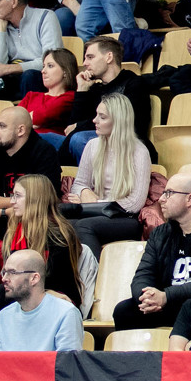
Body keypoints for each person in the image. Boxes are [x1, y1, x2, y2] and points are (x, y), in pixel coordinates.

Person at [111, 171, 191, 331]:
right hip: (168, 305)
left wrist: (167, 296)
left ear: (190, 199)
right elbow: (144, 274)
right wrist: (146, 297)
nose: (161, 199)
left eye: (169, 193)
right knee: (124, 311)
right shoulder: (160, 233)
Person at [69, 94, 152, 258]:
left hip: (125, 218)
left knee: (83, 226)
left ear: (118, 121)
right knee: (60, 224)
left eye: (102, 117)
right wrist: (85, 191)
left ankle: (97, 273)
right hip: (94, 213)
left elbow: (135, 203)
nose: (94, 120)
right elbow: (79, 183)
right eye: (96, 115)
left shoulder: (139, 152)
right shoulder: (92, 145)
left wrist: (94, 204)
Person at [0, 175, 84, 319]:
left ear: (35, 199)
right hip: (24, 293)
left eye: (18, 196)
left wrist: (45, 292)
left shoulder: (58, 235)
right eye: (12, 195)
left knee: (3, 293)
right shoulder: (15, 231)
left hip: (56, 297)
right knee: (3, 293)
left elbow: (58, 279)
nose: (12, 201)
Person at [62, 36, 152, 159]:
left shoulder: (134, 84)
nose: (84, 63)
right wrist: (82, 90)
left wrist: (79, 126)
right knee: (47, 138)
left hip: (125, 143)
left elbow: (122, 122)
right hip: (96, 138)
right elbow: (72, 127)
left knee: (79, 139)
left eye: (90, 57)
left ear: (109, 57)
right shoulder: (95, 88)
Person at [0, 108, 64, 220]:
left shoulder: (44, 152)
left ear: (20, 130)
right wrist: (22, 201)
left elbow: (46, 200)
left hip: (33, 219)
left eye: (2, 126)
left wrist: (2, 211)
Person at [0, 0, 63, 99]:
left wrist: (9, 69)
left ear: (13, 1)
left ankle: (29, 111)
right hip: (13, 79)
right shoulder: (0, 24)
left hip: (39, 77)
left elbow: (52, 62)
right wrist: (1, 29)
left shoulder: (45, 17)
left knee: (29, 76)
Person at [0, 249, 85, 352]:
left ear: (34, 278)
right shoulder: (4, 316)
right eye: (4, 272)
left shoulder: (66, 313)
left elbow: (66, 360)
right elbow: (1, 360)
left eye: (12, 272)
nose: (4, 279)